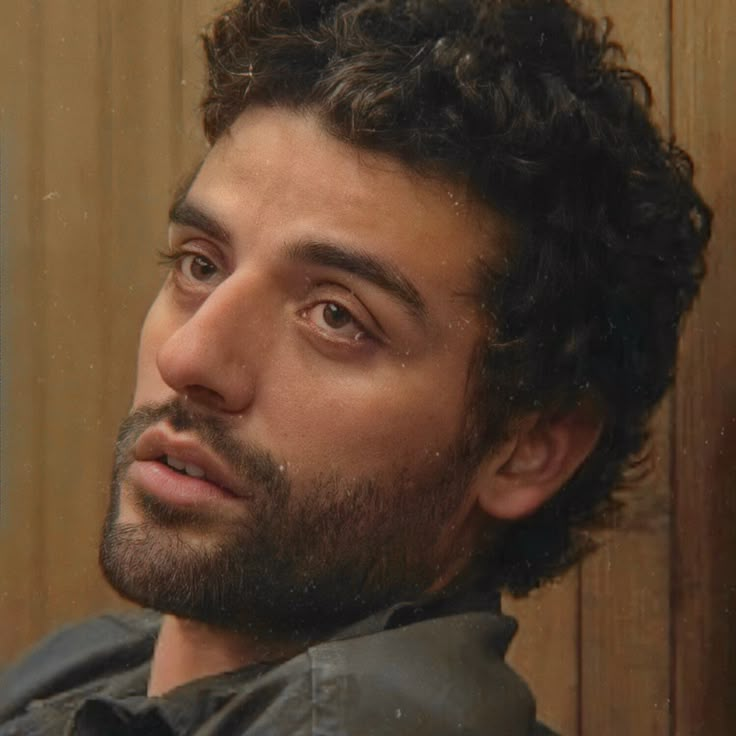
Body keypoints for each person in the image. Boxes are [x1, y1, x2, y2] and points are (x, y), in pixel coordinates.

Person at [0, 0, 711, 734]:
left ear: (528, 449)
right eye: (200, 264)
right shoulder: (85, 671)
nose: (189, 358)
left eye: (337, 316)